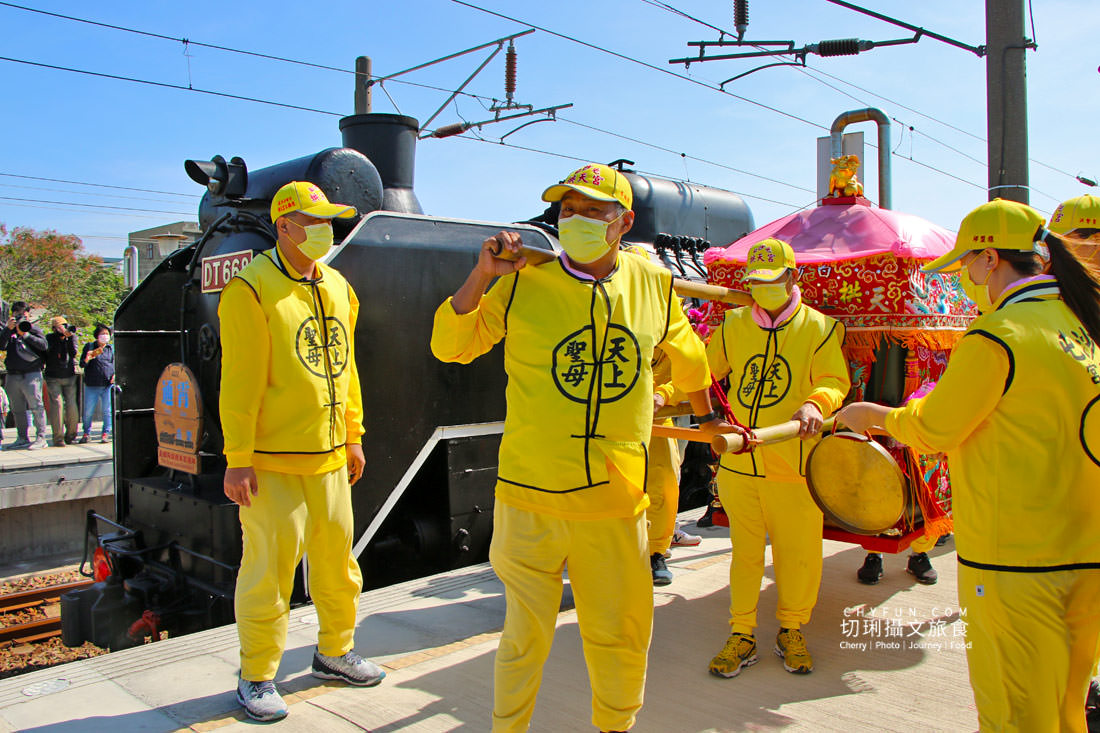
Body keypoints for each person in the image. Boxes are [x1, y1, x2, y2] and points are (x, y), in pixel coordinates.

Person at [430, 163, 740, 732]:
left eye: (592, 211)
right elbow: (452, 346)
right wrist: (481, 275)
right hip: (529, 499)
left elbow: (692, 360)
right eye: (567, 210)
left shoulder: (654, 283)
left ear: (624, 222)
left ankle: (615, 726)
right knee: (523, 638)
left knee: (620, 633)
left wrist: (712, 424)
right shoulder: (523, 279)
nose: (574, 220)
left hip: (614, 501)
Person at [837, 199, 1100, 732]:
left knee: (1016, 715)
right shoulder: (1081, 325)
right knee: (1066, 710)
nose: (961, 278)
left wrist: (873, 414)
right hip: (1084, 552)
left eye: (963, 266)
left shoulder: (998, 334)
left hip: (1017, 565)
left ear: (988, 260)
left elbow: (935, 429)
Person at [219, 181, 383, 723]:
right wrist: (237, 456)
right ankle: (257, 674)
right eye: (314, 222)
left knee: (338, 562)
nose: (325, 231)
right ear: (284, 226)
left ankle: (334, 651)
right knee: (268, 570)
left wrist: (354, 435)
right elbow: (239, 381)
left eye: (329, 222)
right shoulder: (251, 288)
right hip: (271, 461)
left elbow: (346, 367)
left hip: (331, 455)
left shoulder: (338, 286)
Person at [705, 237, 850, 678]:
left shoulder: (820, 328)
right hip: (738, 460)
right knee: (744, 553)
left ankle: (791, 628)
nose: (764, 288)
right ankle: (742, 632)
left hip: (793, 462)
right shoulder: (732, 325)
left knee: (798, 553)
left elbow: (834, 381)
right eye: (756, 282)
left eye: (773, 280)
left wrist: (816, 404)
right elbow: (703, 375)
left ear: (792, 278)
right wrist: (663, 395)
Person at [647, 349, 702, 586]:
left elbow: (693, 366)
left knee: (664, 486)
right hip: (610, 417)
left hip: (657, 417)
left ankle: (656, 553)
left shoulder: (670, 323)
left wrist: (664, 393)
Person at [2, 300, 49, 450]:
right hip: (13, 374)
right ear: (13, 315)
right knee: (17, 408)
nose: (22, 318)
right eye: (18, 315)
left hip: (32, 373)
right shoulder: (8, 330)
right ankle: (22, 437)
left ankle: (41, 438)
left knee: (36, 406)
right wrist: (8, 330)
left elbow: (44, 346)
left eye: (25, 315)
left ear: (28, 315)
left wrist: (26, 335)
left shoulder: (33, 329)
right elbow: (1, 346)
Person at [44, 315, 79, 446]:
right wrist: (60, 338)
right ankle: (58, 438)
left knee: (71, 405)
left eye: (64, 325)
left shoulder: (72, 337)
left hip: (69, 375)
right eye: (60, 326)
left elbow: (74, 352)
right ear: (54, 328)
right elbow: (49, 352)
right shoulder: (49, 338)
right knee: (57, 406)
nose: (63, 328)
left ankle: (71, 435)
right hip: (53, 376)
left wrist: (68, 338)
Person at [78, 325, 114, 443]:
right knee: (88, 411)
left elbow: (115, 363)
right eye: (102, 334)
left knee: (107, 411)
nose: (105, 336)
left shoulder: (111, 348)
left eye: (107, 334)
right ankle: (86, 432)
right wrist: (87, 358)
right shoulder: (90, 347)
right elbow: (82, 365)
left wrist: (115, 375)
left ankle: (106, 433)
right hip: (92, 384)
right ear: (97, 336)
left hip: (107, 384)